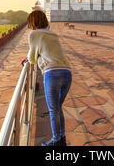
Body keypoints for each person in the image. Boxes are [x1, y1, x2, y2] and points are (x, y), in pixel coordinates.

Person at [21, 10, 72, 146]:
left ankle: (56, 141)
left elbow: (32, 60)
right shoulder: (53, 34)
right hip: (67, 73)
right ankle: (62, 138)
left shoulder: (34, 34)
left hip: (52, 74)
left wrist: (30, 57)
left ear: (33, 22)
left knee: (54, 110)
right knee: (58, 108)